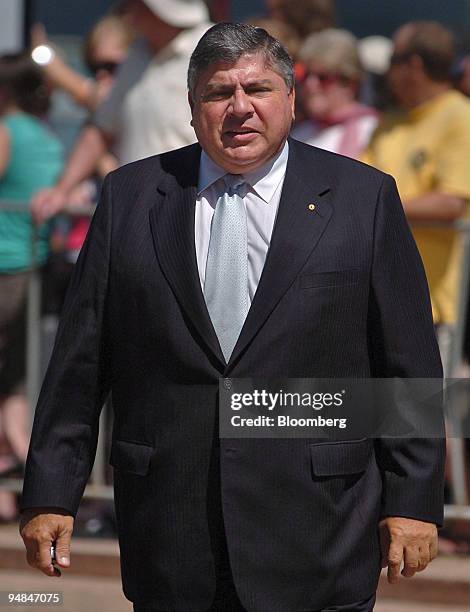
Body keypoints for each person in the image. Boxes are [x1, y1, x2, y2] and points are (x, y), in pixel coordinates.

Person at [19, 23, 445, 612]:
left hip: (318, 529)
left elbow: (408, 363)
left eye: (259, 89)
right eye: (219, 93)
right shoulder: (131, 198)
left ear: (291, 100)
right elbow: (80, 363)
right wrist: (51, 493)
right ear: (193, 110)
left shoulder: (363, 198)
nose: (240, 108)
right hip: (172, 528)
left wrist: (412, 501)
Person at [30, 0, 212, 225]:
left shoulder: (210, 48)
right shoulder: (136, 53)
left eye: (138, 5)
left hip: (192, 207)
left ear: (160, 10)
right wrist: (61, 190)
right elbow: (101, 128)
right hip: (137, 208)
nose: (129, 13)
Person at [362, 21, 470, 373]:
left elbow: (453, 202)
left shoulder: (460, 116)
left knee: (428, 419)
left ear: (414, 66)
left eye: (393, 59)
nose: (386, 72)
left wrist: (377, 207)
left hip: (431, 305)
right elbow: (356, 190)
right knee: (382, 416)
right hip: (379, 296)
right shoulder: (389, 121)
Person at [0, 53, 63, 519]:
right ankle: (15, 480)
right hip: (32, 266)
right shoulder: (47, 136)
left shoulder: (7, 131)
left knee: (10, 380)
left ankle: (26, 466)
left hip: (6, 267)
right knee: (14, 379)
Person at [292, 29, 378, 159]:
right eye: (305, 76)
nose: (310, 84)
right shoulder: (298, 136)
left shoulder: (374, 131)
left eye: (323, 77)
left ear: (349, 83)